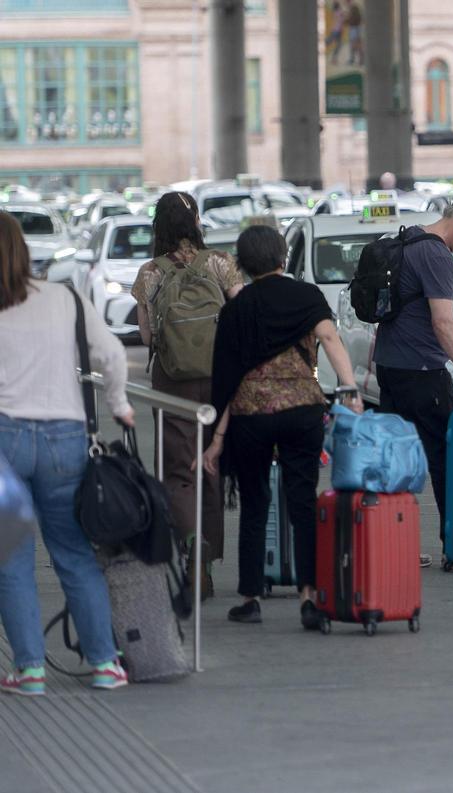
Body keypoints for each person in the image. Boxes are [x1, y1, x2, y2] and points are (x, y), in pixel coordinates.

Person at [202, 226, 363, 627]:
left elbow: (228, 378)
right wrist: (350, 389)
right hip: (302, 411)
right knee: (303, 501)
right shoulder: (307, 295)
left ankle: (251, 597)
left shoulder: (236, 310)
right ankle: (309, 596)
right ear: (282, 257)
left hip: (251, 416)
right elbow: (330, 338)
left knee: (255, 504)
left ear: (242, 264)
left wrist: (216, 439)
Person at [0, 210, 133, 694]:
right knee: (75, 554)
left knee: (11, 559)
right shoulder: (65, 298)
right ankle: (104, 664)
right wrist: (118, 403)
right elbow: (113, 355)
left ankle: (30, 671)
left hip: (4, 442)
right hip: (65, 439)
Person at [373, 194, 453, 550]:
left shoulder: (406, 238)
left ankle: (394, 548)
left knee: (397, 460)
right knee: (446, 460)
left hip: (390, 367)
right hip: (423, 372)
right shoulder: (436, 254)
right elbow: (443, 322)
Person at [132, 191, 242, 601]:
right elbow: (241, 314)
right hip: (218, 379)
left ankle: (189, 542)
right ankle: (207, 565)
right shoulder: (220, 263)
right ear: (195, 220)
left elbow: (146, 336)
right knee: (211, 465)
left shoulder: (150, 272)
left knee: (179, 472)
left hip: (171, 381)